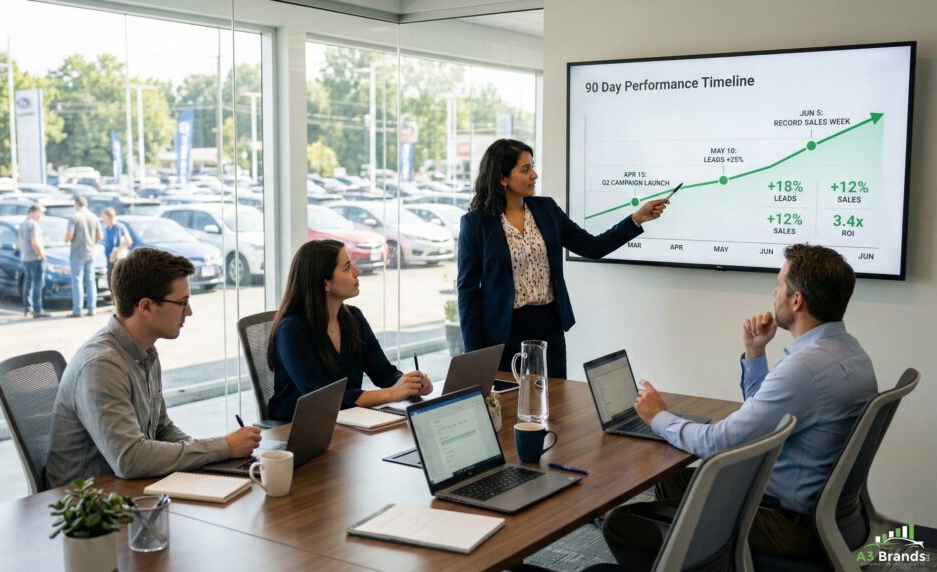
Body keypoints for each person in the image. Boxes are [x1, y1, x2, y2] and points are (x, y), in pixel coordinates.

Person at [602, 244, 878, 569]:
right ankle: (689, 559)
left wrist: (658, 417)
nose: (773, 293)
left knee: (622, 525)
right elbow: (764, 419)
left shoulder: (805, 369)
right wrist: (755, 352)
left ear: (797, 300)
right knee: (673, 480)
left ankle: (698, 556)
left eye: (779, 285)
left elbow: (722, 443)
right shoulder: (849, 351)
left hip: (788, 522)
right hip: (830, 514)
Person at [46, 248, 262, 487]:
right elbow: (130, 459)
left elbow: (162, 429)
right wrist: (222, 447)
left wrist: (210, 462)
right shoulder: (101, 365)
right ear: (146, 307)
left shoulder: (145, 351)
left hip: (129, 488)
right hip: (88, 504)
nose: (189, 312)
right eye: (182, 302)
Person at [457, 138, 667, 378]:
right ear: (502, 178)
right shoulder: (475, 223)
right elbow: (468, 291)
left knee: (555, 405)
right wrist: (473, 358)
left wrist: (636, 219)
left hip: (549, 328)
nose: (534, 175)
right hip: (503, 335)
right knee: (509, 408)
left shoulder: (546, 209)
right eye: (525, 170)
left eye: (532, 166)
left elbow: (593, 246)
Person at [266, 239, 433, 423]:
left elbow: (384, 373)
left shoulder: (353, 317)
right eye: (347, 267)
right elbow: (322, 398)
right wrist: (392, 393)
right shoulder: (292, 330)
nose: (357, 271)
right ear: (325, 283)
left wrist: (410, 384)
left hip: (345, 422)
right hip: (296, 430)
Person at [65, 196, 103, 317]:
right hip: (90, 251)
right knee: (90, 280)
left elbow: (69, 235)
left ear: (76, 204)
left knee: (77, 281)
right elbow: (100, 236)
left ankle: (77, 310)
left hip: (77, 252)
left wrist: (66, 239)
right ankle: (92, 309)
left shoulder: (74, 217)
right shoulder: (94, 217)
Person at [17, 203, 51, 319]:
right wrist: (42, 255)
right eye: (40, 213)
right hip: (34, 258)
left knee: (28, 283)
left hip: (25, 258)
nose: (41, 216)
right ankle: (38, 309)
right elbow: (35, 242)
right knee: (37, 284)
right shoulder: (33, 224)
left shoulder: (23, 223)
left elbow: (19, 243)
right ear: (34, 212)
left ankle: (28, 308)